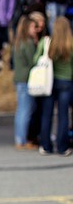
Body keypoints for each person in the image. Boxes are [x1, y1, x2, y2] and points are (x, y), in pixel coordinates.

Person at [36, 18, 73, 156]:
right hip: (66, 81)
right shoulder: (71, 44)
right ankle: (62, 146)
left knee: (47, 114)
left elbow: (36, 59)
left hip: (48, 81)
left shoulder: (46, 42)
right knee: (63, 115)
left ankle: (46, 145)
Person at [12, 16, 39, 150]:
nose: (36, 30)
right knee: (25, 111)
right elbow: (33, 61)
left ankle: (19, 138)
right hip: (26, 79)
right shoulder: (27, 43)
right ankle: (22, 140)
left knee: (21, 110)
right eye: (34, 27)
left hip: (19, 79)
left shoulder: (17, 42)